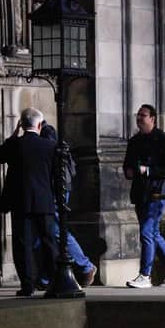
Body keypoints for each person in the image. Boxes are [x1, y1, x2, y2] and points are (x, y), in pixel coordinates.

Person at [0, 107, 58, 296]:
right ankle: (55, 281)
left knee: (22, 244)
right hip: (43, 200)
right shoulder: (50, 146)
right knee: (49, 242)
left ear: (22, 125)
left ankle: (27, 284)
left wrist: (15, 134)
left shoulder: (15, 144)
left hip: (20, 201)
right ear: (39, 125)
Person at [123, 104, 165, 288]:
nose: (139, 118)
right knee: (153, 232)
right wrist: (129, 171)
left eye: (143, 115)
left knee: (147, 232)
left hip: (156, 194)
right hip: (140, 193)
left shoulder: (161, 139)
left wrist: (148, 170)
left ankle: (145, 275)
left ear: (153, 119)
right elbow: (128, 165)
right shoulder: (134, 141)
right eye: (138, 115)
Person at [35, 122, 97, 288]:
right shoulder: (59, 145)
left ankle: (85, 266)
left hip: (56, 192)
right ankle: (45, 276)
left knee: (57, 231)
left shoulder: (51, 143)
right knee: (47, 233)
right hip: (59, 191)